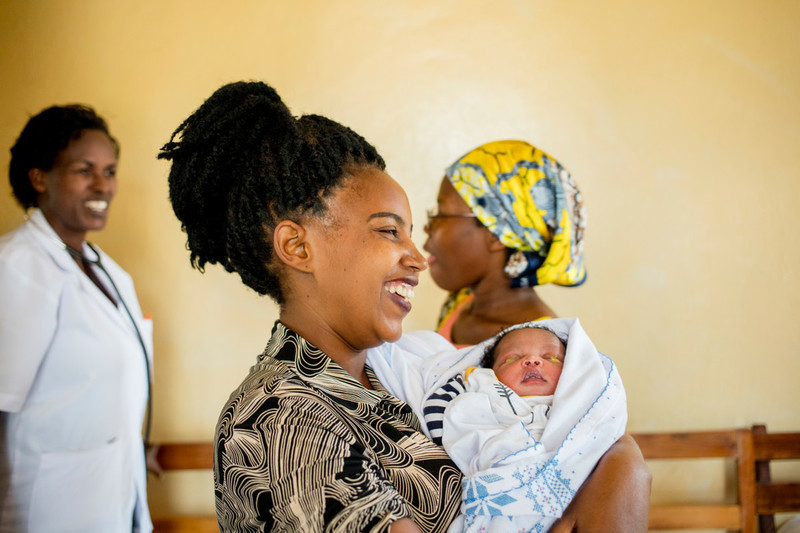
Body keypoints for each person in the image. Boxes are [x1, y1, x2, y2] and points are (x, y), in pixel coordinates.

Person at [159, 81, 462, 532]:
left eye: (410, 232)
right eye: (388, 231)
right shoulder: (280, 420)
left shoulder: (391, 372)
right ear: (297, 247)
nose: (417, 258)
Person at [0, 105, 153, 532]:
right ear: (38, 177)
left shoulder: (107, 270)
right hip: (45, 507)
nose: (102, 184)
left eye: (110, 171)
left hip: (110, 492)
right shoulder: (17, 268)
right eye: (84, 170)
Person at [420, 320, 627, 532]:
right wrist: (442, 447)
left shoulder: (576, 406)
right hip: (498, 487)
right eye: (512, 358)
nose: (532, 361)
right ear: (493, 372)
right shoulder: (485, 385)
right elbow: (438, 405)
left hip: (563, 497)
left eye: (551, 358)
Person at [423, 139, 586, 346]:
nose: (428, 227)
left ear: (497, 234)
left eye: (441, 213)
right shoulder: (461, 304)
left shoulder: (540, 347)